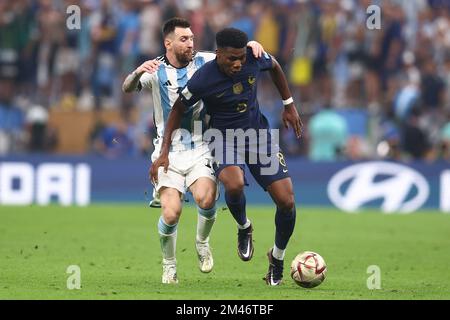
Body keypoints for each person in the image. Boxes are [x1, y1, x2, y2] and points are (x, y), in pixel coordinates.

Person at [150, 28, 302, 286]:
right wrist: (163, 152)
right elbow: (177, 109)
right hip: (222, 138)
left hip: (257, 136)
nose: (238, 63)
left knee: (286, 201)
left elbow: (275, 66)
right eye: (232, 58)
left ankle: (277, 258)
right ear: (218, 54)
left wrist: (288, 104)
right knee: (233, 184)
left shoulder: (254, 57)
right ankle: (244, 227)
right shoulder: (202, 78)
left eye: (241, 58)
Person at [122, 18, 264, 284]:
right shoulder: (154, 70)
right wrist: (137, 72)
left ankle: (202, 242)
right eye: (184, 39)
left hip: (201, 145)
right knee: (171, 212)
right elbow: (127, 88)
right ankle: (169, 265)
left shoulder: (206, 61)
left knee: (206, 199)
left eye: (192, 39)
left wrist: (253, 45)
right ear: (169, 43)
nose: (190, 44)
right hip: (168, 150)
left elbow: (234, 53)